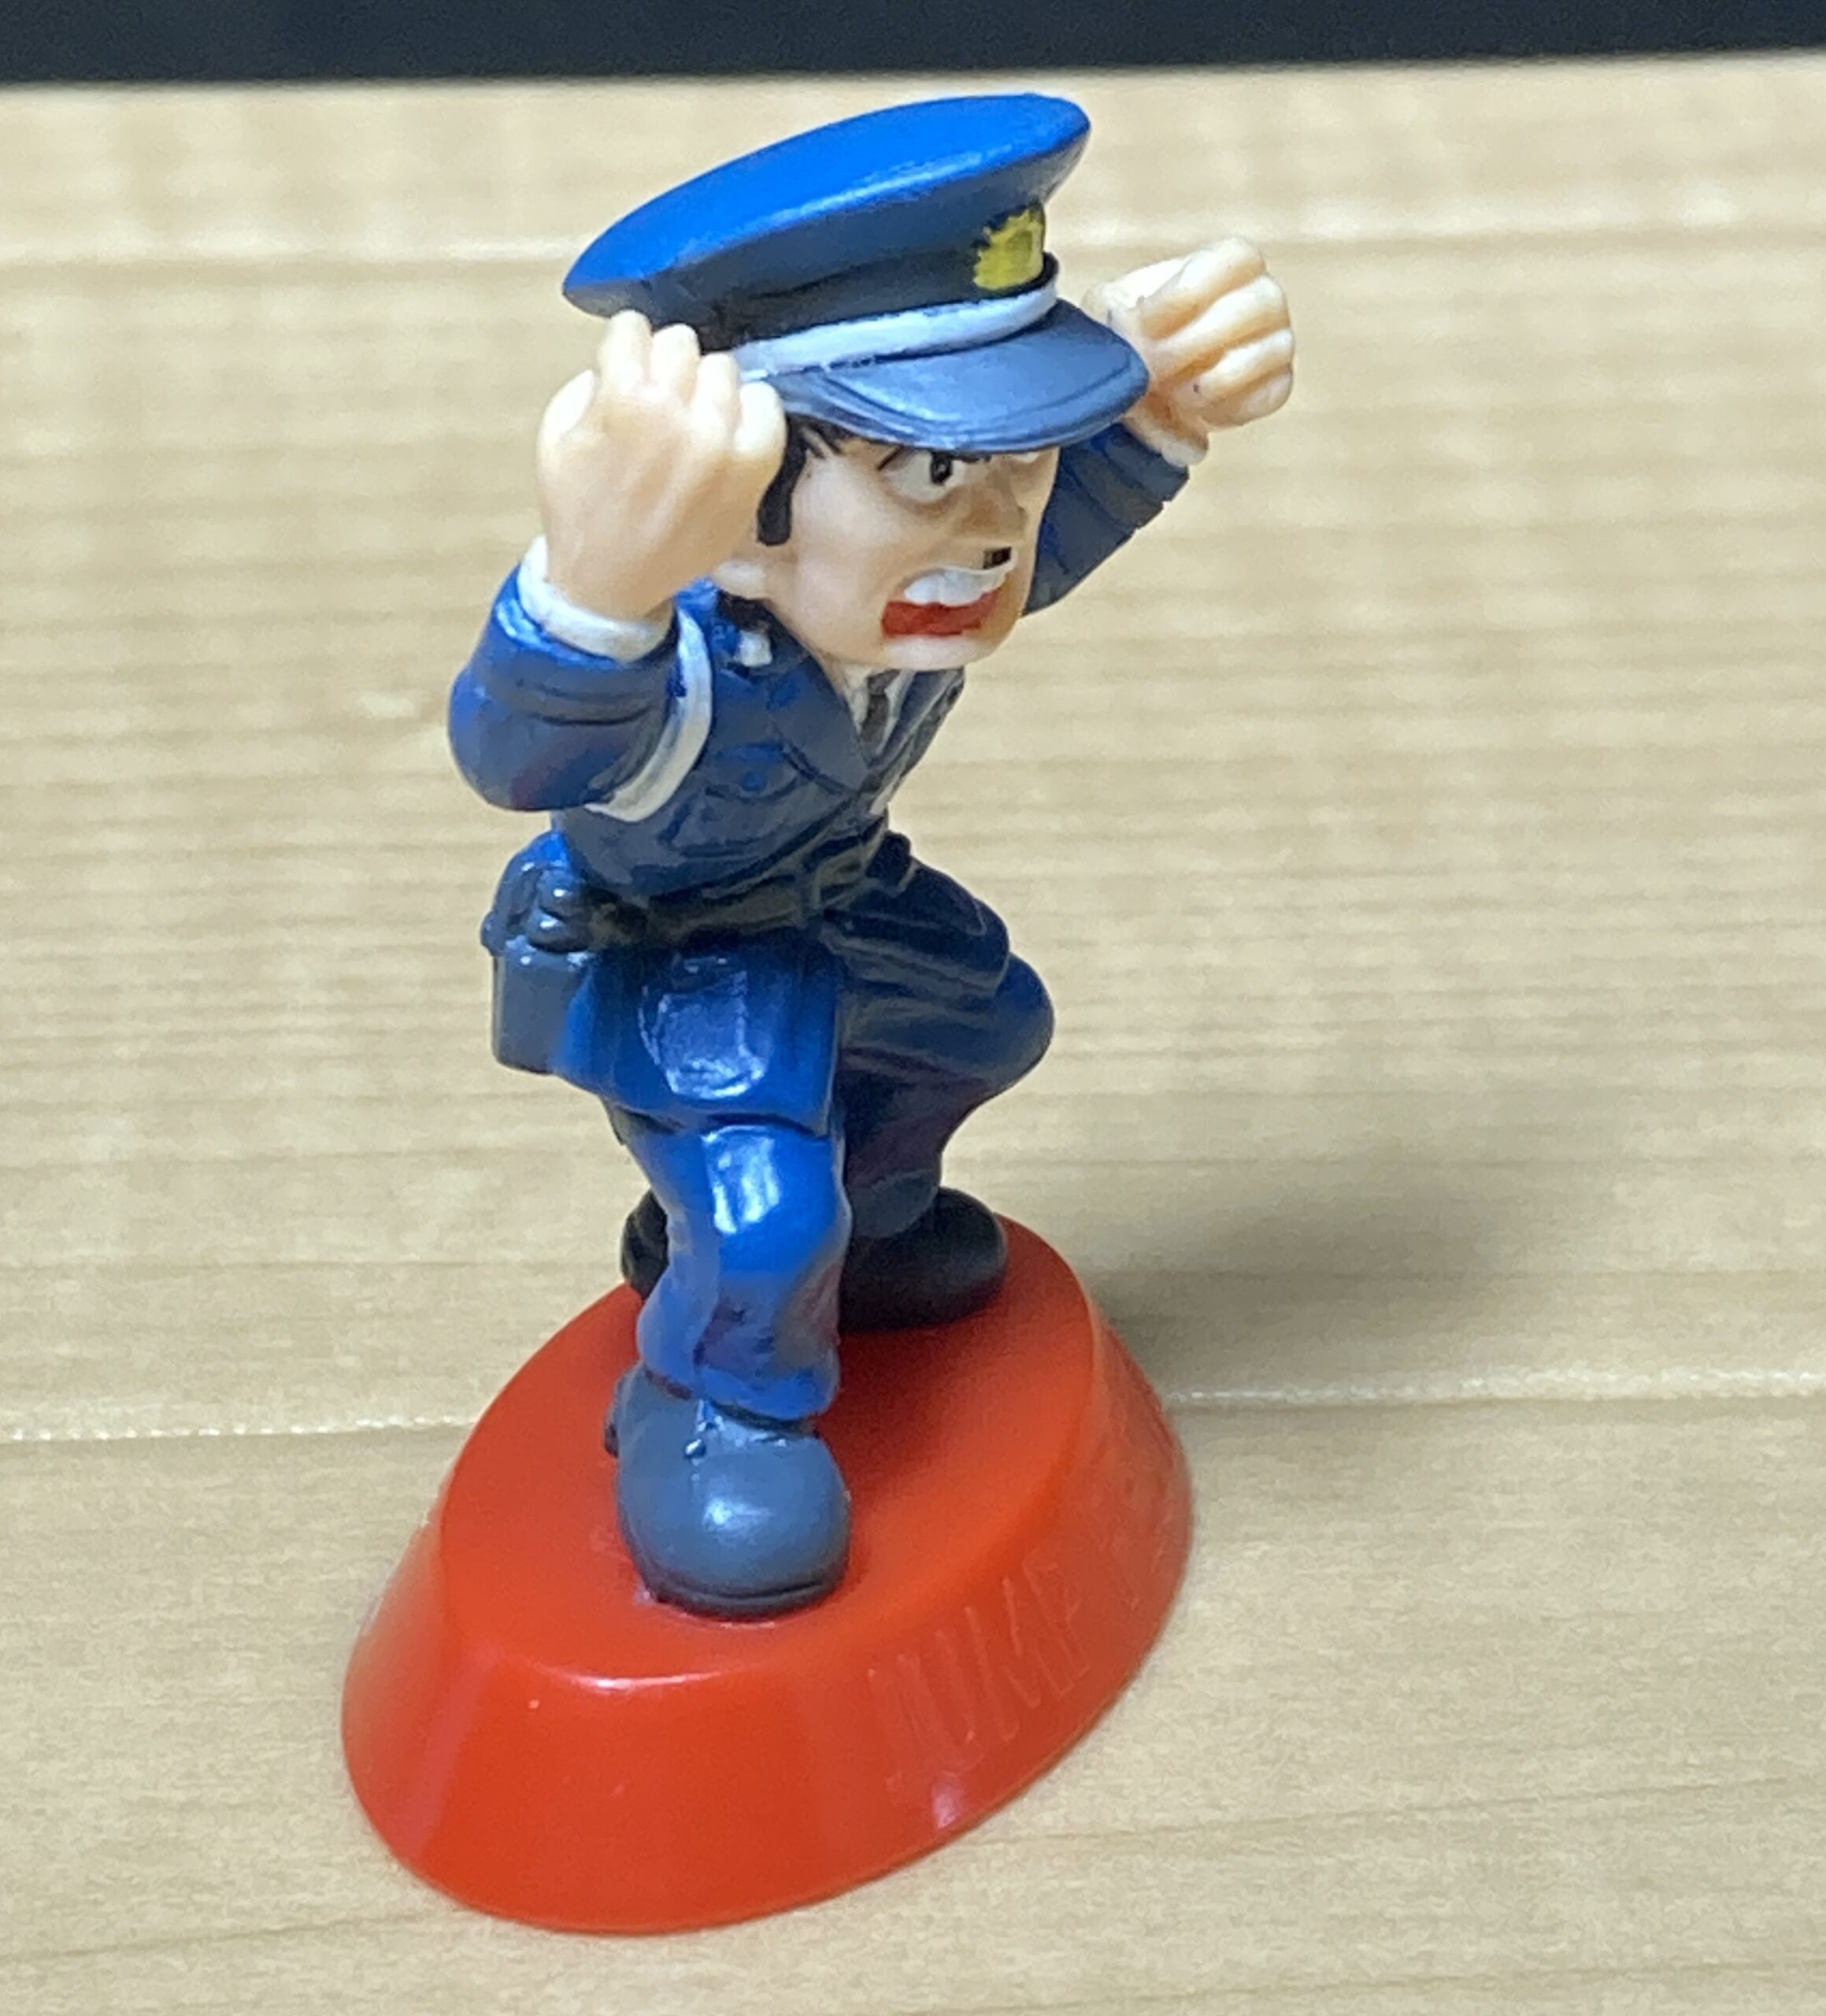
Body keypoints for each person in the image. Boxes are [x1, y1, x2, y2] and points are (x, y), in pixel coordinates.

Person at [448, 94, 1294, 1617]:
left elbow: (1041, 548)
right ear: (746, 508)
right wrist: (593, 591)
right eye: (926, 475)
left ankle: (871, 1229)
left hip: (842, 899)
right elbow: (521, 757)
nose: (993, 530)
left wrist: (1157, 413)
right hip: (684, 962)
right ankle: (712, 1406)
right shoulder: (682, 665)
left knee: (984, 1025)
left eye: (1018, 464)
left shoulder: (902, 597)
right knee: (768, 1217)